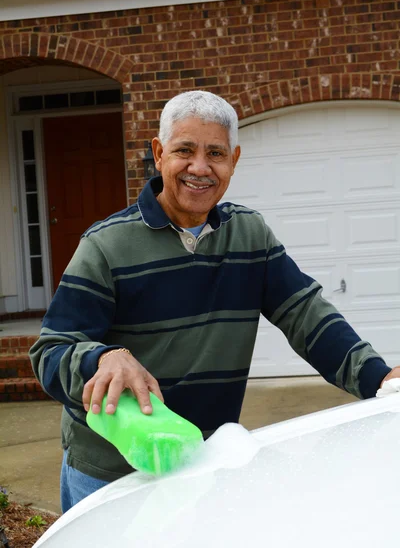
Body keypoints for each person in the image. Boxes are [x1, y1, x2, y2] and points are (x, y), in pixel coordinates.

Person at [30, 90, 400, 513]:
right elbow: (50, 352)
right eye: (184, 150)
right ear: (158, 153)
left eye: (215, 153)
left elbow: (305, 315)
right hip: (112, 475)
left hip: (203, 462)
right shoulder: (106, 245)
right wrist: (101, 359)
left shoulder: (249, 235)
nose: (199, 168)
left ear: (234, 160)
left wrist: (379, 378)